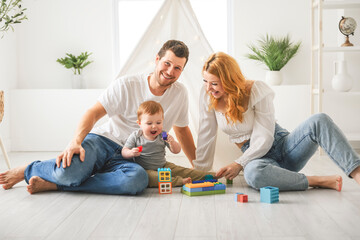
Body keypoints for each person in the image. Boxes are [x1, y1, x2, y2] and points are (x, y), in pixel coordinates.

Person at [0, 40, 197, 195]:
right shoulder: (127, 84)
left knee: (137, 181)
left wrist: (196, 166)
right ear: (157, 59)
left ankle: (57, 186)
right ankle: (29, 169)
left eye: (178, 68)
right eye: (167, 63)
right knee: (68, 172)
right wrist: (76, 141)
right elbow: (93, 112)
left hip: (129, 158)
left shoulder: (180, 94)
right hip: (103, 141)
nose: (170, 71)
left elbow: (182, 130)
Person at [193, 52, 360, 191]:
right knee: (253, 174)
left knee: (319, 120)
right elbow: (206, 135)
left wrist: (238, 163)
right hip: (259, 160)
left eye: (214, 83)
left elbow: (265, 137)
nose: (208, 88)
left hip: (285, 147)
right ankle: (315, 181)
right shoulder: (207, 96)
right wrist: (199, 173)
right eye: (205, 82)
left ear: (229, 80)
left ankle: (358, 173)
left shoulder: (256, 89)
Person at [122, 100, 214, 187]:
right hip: (145, 170)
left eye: (158, 122)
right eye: (149, 123)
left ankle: (209, 176)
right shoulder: (136, 136)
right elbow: (124, 151)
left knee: (182, 171)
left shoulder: (163, 135)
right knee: (154, 178)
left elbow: (176, 151)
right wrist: (130, 153)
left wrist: (172, 142)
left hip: (163, 166)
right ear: (140, 123)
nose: (154, 126)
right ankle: (179, 181)